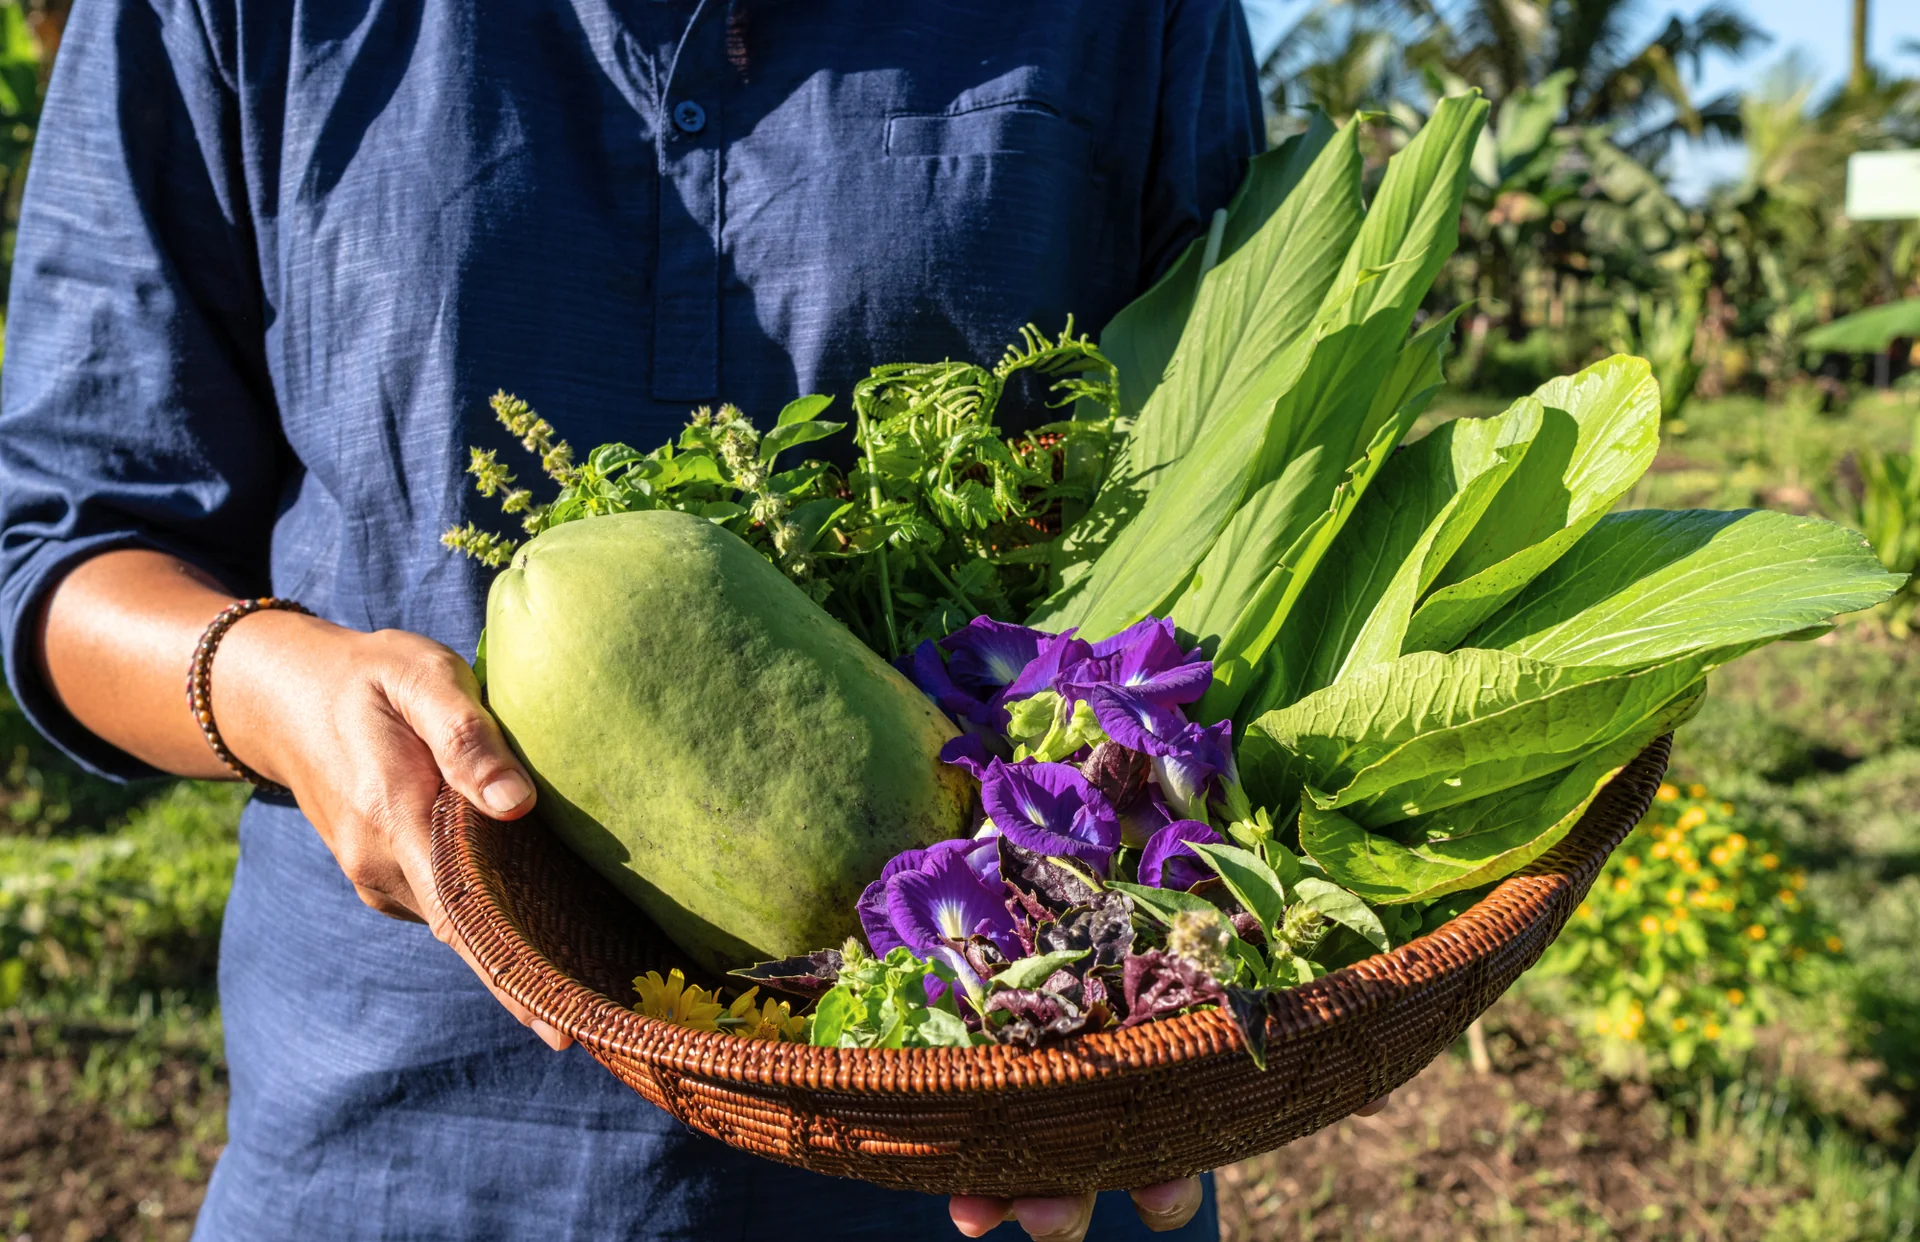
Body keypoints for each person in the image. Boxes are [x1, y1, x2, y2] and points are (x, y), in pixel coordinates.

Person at [0, 1, 1346, 1238]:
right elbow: (67, 552)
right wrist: (283, 690)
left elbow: (1231, 510)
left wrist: (1178, 985)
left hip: (991, 1096)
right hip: (408, 1152)